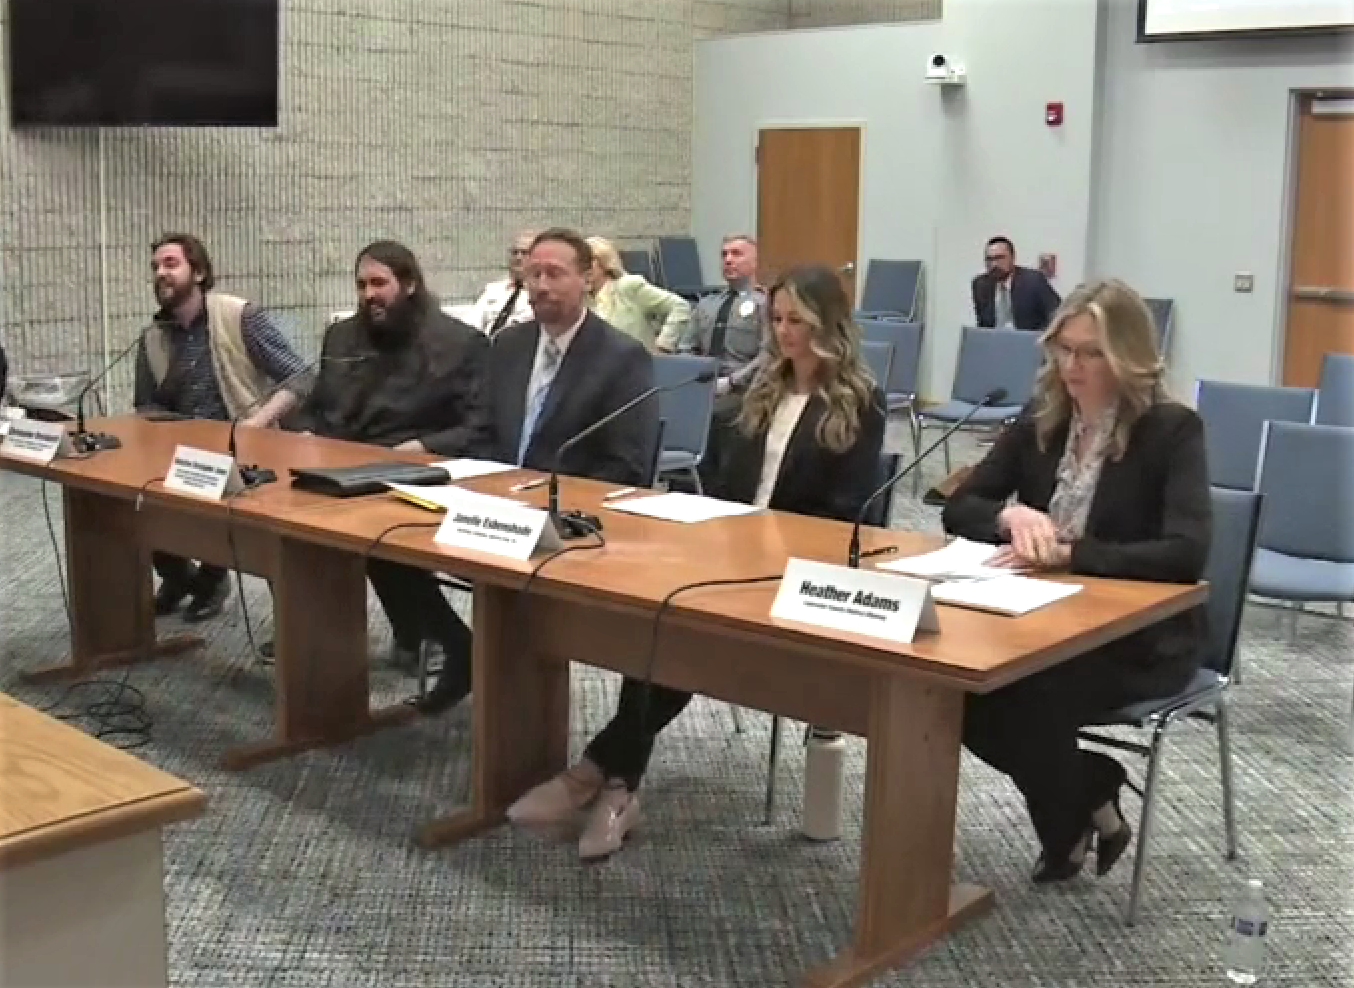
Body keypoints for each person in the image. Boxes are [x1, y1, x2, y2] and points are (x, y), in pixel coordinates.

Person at [507, 264, 886, 862]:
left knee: (673, 649)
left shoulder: (860, 402)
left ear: (827, 325)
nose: (784, 333)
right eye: (777, 319)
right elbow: (731, 483)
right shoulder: (763, 389)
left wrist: (764, 537)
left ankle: (596, 776)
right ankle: (614, 786)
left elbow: (845, 512)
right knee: (662, 627)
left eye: (797, 321)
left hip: (796, 574)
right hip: (733, 556)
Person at [941, 278, 1211, 884]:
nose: (1072, 365)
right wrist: (1008, 515)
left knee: (1027, 694)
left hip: (1140, 636)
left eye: (1090, 352)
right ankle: (1092, 787)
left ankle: (1065, 830)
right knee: (956, 685)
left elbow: (1185, 552)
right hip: (1041, 615)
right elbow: (960, 507)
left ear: (1128, 356)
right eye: (1064, 349)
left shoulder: (1171, 431)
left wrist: (1073, 555)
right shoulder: (1043, 418)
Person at [411, 227, 659, 715]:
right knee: (390, 541)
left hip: (568, 519)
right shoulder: (508, 345)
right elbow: (481, 430)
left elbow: (626, 467)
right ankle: (461, 649)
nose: (541, 286)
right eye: (533, 274)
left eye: (555, 274)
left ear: (587, 278)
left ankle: (519, 708)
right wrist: (476, 485)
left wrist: (538, 498)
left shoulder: (622, 358)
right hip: (493, 504)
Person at [293, 241, 492, 670]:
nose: (369, 294)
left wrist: (421, 448)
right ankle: (316, 639)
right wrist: (304, 430)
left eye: (380, 283)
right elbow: (317, 403)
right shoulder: (343, 335)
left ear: (410, 284)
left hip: (418, 471)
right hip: (340, 466)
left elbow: (478, 426)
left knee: (377, 532)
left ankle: (440, 635)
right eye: (362, 284)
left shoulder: (460, 343)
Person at [133, 233, 308, 623]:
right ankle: (186, 580)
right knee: (134, 501)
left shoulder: (238, 316)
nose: (161, 273)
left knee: (268, 539)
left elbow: (299, 376)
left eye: (170, 264)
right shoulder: (151, 337)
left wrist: (256, 424)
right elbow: (146, 405)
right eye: (156, 267)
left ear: (199, 272)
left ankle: (223, 584)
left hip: (246, 451)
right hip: (181, 456)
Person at [676, 234, 767, 488]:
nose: (728, 260)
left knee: (723, 416)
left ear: (755, 261)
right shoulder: (707, 304)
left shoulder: (766, 305)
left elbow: (769, 355)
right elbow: (686, 346)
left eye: (737, 254)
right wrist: (693, 375)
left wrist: (731, 382)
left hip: (746, 392)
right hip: (704, 388)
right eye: (724, 254)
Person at [584, 236, 690, 353]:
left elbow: (679, 306)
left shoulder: (627, 286)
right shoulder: (583, 301)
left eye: (588, 262)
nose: (583, 269)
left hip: (638, 366)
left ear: (604, 261)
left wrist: (664, 345)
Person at [971, 236, 1062, 331]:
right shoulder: (980, 285)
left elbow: (1058, 314)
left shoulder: (1033, 280)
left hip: (1027, 340)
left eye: (999, 258)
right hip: (995, 342)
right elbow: (983, 324)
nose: (994, 264)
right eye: (989, 259)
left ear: (1012, 258)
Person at [465, 230, 537, 337]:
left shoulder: (539, 294)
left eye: (525, 253)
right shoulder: (493, 290)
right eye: (514, 252)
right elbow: (471, 325)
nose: (518, 257)